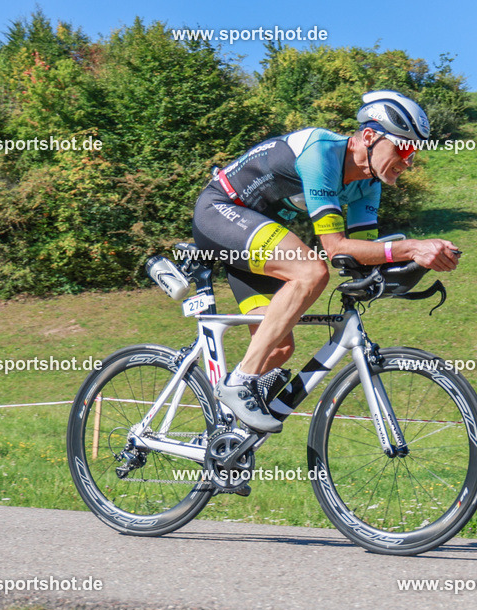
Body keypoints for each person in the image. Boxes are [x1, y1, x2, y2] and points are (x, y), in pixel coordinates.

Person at [192, 90, 460, 433]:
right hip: (220, 211)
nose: (408, 162)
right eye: (404, 148)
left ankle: (223, 441)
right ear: (369, 136)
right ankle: (239, 382)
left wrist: (416, 263)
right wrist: (410, 248)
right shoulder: (321, 153)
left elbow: (359, 255)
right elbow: (335, 248)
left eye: (414, 153)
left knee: (278, 348)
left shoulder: (368, 184)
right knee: (310, 272)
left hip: (254, 236)